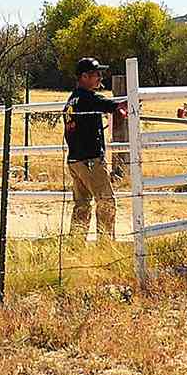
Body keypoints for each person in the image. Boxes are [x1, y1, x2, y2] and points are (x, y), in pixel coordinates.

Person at [63, 57, 129, 243]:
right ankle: (106, 244)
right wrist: (125, 108)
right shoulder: (88, 98)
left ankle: (76, 243)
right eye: (96, 74)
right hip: (91, 160)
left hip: (75, 160)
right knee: (106, 201)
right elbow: (114, 106)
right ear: (84, 76)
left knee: (82, 204)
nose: (100, 77)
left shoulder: (72, 100)